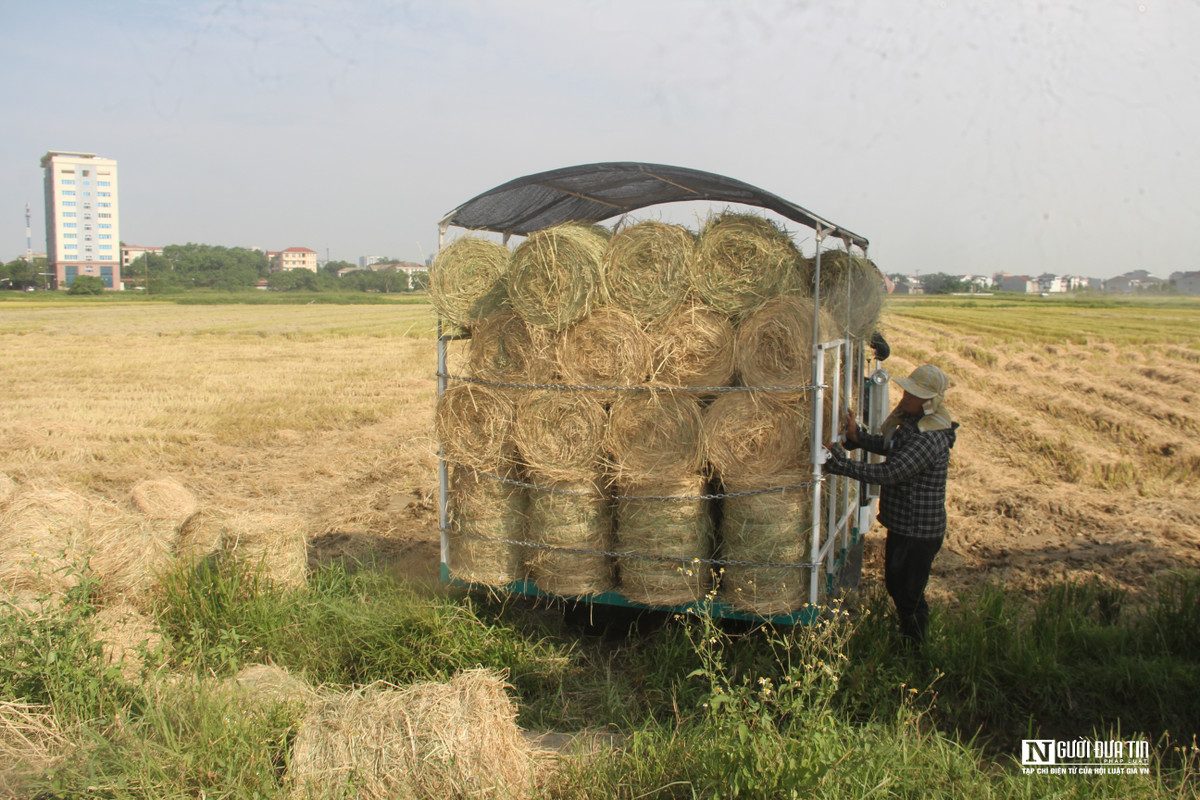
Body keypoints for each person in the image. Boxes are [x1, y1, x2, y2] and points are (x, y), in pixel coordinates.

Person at [823, 364, 958, 649]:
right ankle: (909, 641)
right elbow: (891, 446)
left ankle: (915, 648)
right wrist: (857, 436)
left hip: (918, 530)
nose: (905, 396)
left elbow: (890, 472)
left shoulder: (929, 438)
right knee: (897, 585)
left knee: (908, 593)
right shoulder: (915, 424)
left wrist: (841, 466)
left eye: (914, 394)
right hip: (906, 525)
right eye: (908, 390)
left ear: (930, 402)